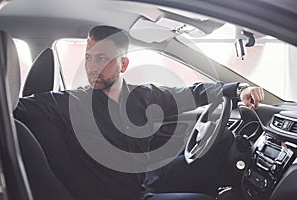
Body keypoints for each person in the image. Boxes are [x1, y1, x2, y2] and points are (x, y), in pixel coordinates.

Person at [14, 25, 264, 200]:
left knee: (207, 171)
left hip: (145, 181)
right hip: (119, 196)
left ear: (124, 64)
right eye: (89, 58)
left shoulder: (145, 96)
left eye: (102, 58)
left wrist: (239, 88)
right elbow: (17, 107)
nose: (92, 67)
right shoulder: (70, 103)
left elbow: (195, 92)